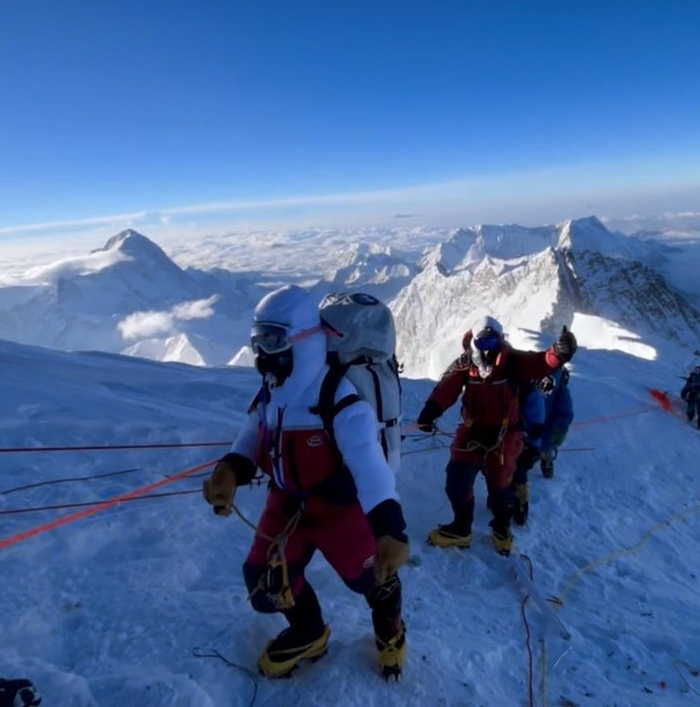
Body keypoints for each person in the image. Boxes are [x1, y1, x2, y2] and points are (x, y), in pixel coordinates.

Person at [201, 285, 411, 681]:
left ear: (302, 340)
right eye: (258, 340)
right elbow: (254, 433)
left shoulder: (339, 397)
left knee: (373, 578)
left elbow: (369, 466)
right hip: (286, 505)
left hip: (340, 510)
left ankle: (390, 630)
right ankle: (309, 631)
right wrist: (230, 469)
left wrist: (390, 530)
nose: (263, 353)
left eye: (273, 340)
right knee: (264, 582)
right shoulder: (273, 392)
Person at [415, 319, 576, 555]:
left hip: (505, 436)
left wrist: (558, 353)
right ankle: (461, 529)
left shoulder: (513, 362)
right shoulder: (465, 364)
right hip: (471, 432)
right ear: (473, 343)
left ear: (500, 341)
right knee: (457, 480)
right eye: (482, 343)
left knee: (501, 487)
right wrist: (432, 410)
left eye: (492, 342)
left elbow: (540, 362)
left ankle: (501, 529)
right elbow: (448, 386)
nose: (487, 350)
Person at [509, 378, 547, 526]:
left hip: (526, 444)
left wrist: (531, 446)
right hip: (506, 441)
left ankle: (521, 507)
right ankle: (499, 499)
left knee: (519, 472)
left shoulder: (532, 394)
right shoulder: (504, 386)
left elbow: (537, 425)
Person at [534, 366, 575, 479]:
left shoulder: (557, 380)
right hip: (527, 424)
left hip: (547, 425)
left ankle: (546, 460)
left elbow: (565, 408)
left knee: (546, 444)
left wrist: (561, 428)